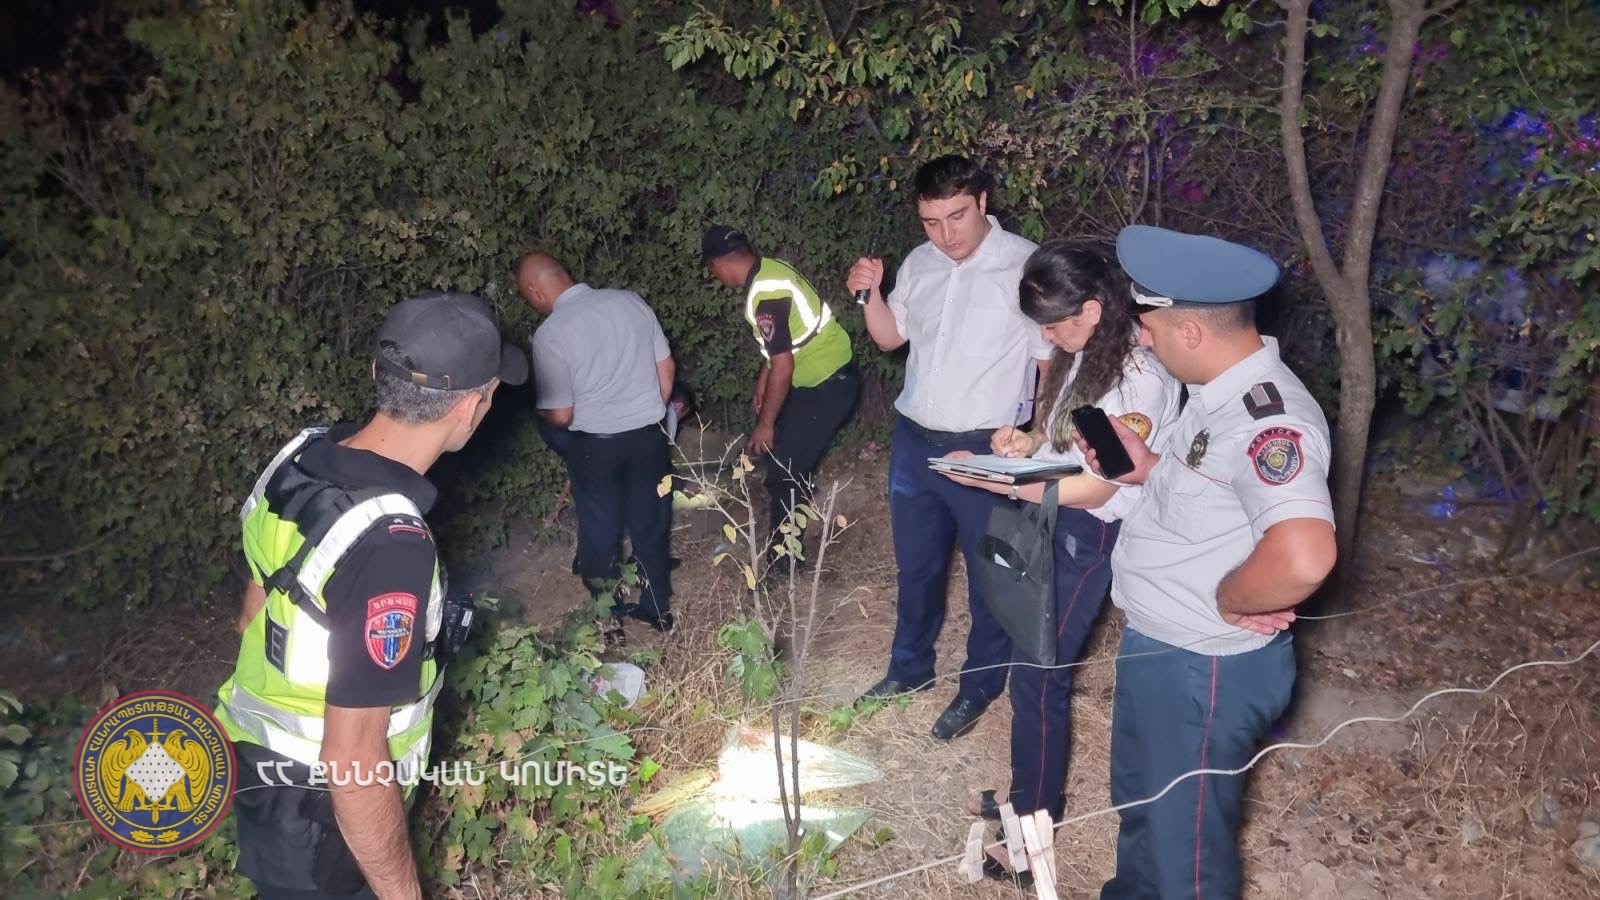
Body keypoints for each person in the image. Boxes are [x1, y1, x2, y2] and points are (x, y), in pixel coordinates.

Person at [216, 292, 527, 900]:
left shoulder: (297, 460)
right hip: (328, 826)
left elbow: (254, 611)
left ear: (377, 371)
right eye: (490, 395)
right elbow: (353, 763)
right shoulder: (389, 543)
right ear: (470, 407)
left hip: (260, 782)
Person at [1080, 225, 1337, 899]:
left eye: (1149, 328)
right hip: (1162, 646)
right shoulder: (1216, 393)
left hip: (1202, 668)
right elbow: (1211, 492)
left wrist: (1233, 597)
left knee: (1186, 854)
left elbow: (1304, 553)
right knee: (1143, 810)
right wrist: (1147, 468)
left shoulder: (1268, 421)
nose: (1143, 341)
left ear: (1190, 331)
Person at [933, 242, 1180, 861]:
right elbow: (1066, 434)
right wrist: (1022, 442)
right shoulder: (1087, 353)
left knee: (1038, 678)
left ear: (1092, 310)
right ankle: (1027, 793)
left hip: (1089, 534)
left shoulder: (1139, 379)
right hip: (1052, 519)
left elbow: (1100, 485)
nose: (1046, 336)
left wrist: (993, 479)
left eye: (1052, 323)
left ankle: (1030, 833)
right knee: (1030, 665)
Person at [846, 155, 1054, 740]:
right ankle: (909, 670)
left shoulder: (1026, 264)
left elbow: (1050, 360)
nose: (946, 234)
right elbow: (890, 337)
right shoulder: (920, 262)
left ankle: (979, 685)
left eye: (957, 216)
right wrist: (869, 294)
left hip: (986, 447)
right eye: (932, 221)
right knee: (917, 568)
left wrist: (1039, 435)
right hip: (915, 441)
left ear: (983, 201)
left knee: (992, 575)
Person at [519, 252, 677, 633]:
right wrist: (646, 412)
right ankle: (657, 609)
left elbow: (561, 416)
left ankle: (609, 619)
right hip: (649, 436)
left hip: (596, 447)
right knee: (651, 522)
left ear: (535, 291)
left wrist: (542, 414)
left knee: (600, 530)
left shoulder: (551, 334)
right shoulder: (630, 302)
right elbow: (666, 369)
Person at [702, 224, 860, 572]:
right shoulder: (770, 269)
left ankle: (786, 565)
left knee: (784, 472)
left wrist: (766, 424)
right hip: (820, 378)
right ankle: (797, 516)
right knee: (785, 463)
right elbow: (780, 347)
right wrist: (763, 381)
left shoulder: (765, 295)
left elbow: (784, 364)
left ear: (718, 264)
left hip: (827, 384)